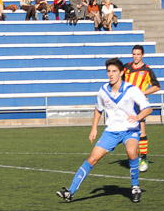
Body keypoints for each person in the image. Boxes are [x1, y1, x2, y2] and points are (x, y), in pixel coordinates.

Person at [57, 58, 151, 203]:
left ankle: (135, 187)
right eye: (108, 71)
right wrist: (94, 128)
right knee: (92, 159)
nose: (111, 74)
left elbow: (148, 109)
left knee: (132, 152)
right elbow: (98, 109)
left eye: (114, 71)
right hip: (111, 131)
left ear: (121, 73)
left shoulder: (131, 90)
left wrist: (138, 117)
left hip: (130, 130)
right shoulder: (103, 91)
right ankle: (70, 192)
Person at [124, 45, 161, 171]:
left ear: (143, 55)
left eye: (138, 54)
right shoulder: (126, 68)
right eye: (134, 54)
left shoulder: (147, 70)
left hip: (139, 104)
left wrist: (143, 93)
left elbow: (157, 86)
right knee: (127, 130)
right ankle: (133, 155)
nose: (136, 56)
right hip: (127, 104)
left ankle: (143, 158)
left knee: (142, 129)